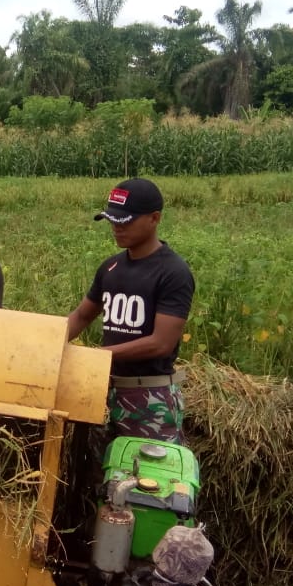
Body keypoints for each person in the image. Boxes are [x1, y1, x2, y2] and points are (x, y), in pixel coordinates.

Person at [66, 177, 194, 447]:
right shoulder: (110, 268)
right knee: (105, 475)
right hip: (105, 390)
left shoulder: (172, 273)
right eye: (112, 220)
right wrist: (46, 342)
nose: (116, 228)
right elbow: (81, 317)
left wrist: (97, 356)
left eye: (125, 222)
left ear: (154, 218)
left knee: (147, 478)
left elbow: (161, 343)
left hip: (149, 397)